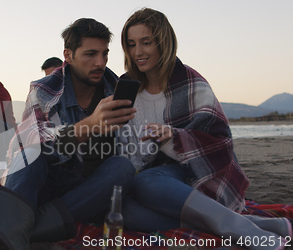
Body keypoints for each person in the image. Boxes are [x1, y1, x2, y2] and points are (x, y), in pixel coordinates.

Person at [118, 8, 291, 249]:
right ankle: (255, 224)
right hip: (150, 179)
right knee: (126, 211)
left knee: (147, 182)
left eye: (146, 42)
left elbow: (221, 141)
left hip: (195, 172)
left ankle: (245, 232)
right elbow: (121, 140)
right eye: (131, 44)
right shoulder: (126, 87)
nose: (138, 52)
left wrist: (175, 138)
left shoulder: (190, 81)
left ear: (163, 42)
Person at [0, 19, 137, 250]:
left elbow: (132, 150)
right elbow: (37, 141)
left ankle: (14, 235)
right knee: (29, 154)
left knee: (123, 167)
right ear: (68, 55)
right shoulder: (44, 90)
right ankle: (19, 235)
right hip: (48, 181)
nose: (100, 63)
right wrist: (90, 125)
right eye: (90, 54)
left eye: (105, 54)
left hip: (89, 191)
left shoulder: (117, 89)